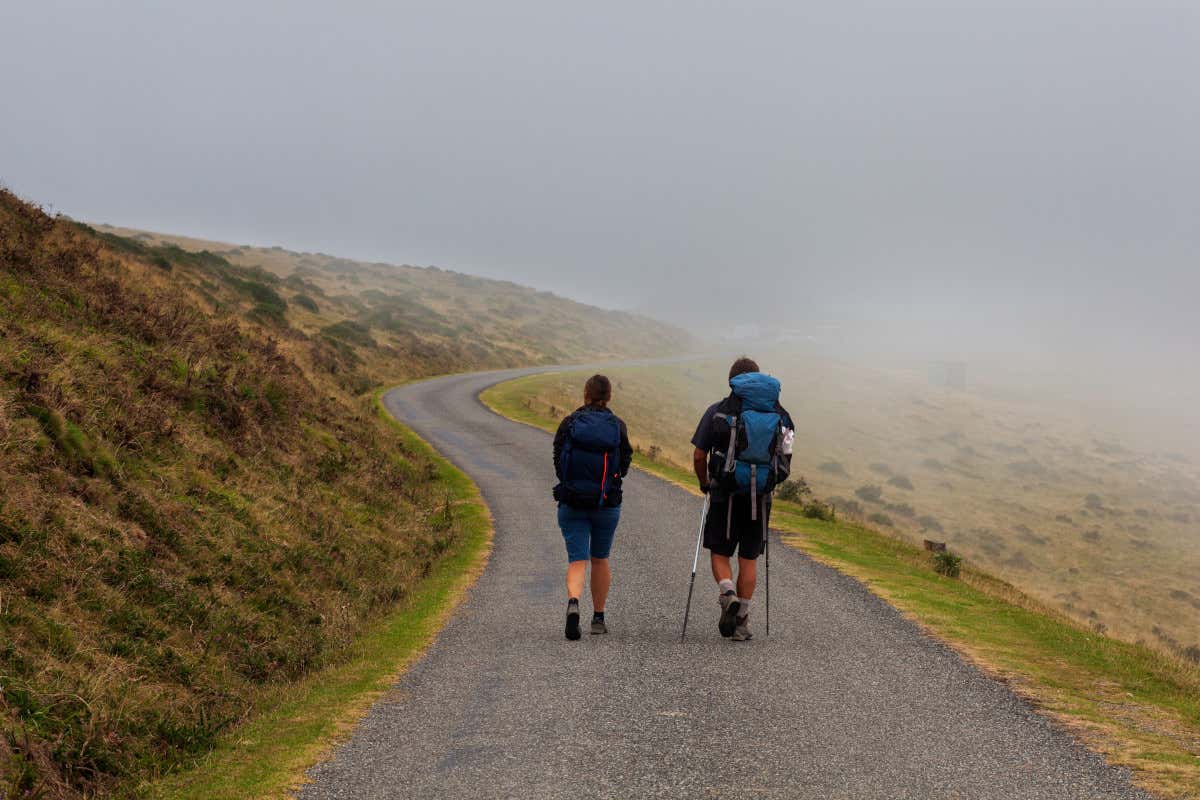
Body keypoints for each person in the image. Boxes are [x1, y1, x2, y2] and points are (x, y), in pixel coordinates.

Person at [691, 357, 793, 641]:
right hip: (760, 499)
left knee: (720, 552)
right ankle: (741, 622)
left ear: (733, 382)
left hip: (724, 493)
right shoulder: (781, 415)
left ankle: (727, 592)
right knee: (749, 560)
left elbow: (700, 454)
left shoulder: (718, 411)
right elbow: (785, 459)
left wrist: (705, 482)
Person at [552, 374, 633, 640]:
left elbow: (558, 460)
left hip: (572, 501)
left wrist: (571, 485)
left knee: (577, 560)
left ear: (585, 394)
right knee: (600, 558)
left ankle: (574, 602)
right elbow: (624, 465)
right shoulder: (617, 426)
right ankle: (598, 618)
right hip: (606, 503)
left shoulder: (570, 423)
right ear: (609, 396)